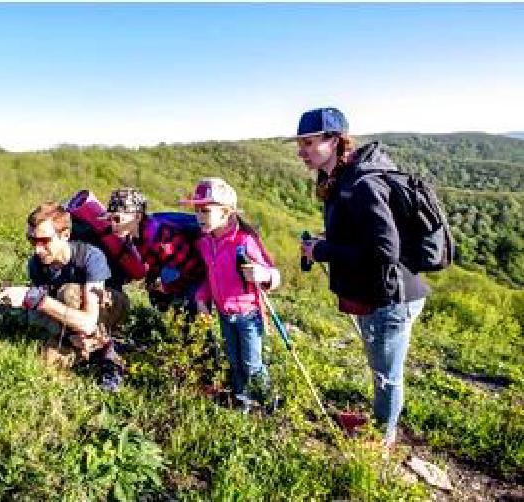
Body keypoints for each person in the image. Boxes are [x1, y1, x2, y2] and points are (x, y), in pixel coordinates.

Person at [294, 107, 429, 447]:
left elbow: (385, 251)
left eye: (309, 143)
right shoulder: (342, 178)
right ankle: (380, 424)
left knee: (387, 375)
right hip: (377, 294)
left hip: (392, 297)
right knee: (380, 368)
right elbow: (361, 238)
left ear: (335, 141)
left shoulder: (363, 183)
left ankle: (382, 441)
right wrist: (327, 244)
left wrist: (323, 252)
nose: (301, 151)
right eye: (300, 144)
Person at [0, 202, 129, 392]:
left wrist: (36, 299)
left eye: (44, 241)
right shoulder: (37, 264)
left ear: (65, 235)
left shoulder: (90, 257)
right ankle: (89, 349)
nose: (37, 249)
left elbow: (88, 321)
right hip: (71, 319)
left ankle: (107, 353)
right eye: (32, 241)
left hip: (109, 307)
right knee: (45, 361)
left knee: (69, 292)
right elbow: (46, 312)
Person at [181, 177, 281, 412]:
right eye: (197, 210)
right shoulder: (205, 243)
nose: (199, 216)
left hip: (248, 315)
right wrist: (201, 297)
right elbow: (210, 275)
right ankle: (242, 403)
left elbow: (274, 275)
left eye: (205, 210)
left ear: (226, 213)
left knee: (252, 364)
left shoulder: (245, 241)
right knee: (235, 363)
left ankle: (266, 404)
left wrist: (262, 275)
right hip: (224, 314)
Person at [103, 188, 207, 315]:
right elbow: (154, 261)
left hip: (197, 280)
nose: (113, 225)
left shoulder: (162, 238)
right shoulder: (136, 238)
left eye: (117, 219)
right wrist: (152, 281)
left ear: (137, 216)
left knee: (193, 320)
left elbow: (193, 268)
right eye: (110, 219)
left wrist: (167, 288)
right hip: (180, 280)